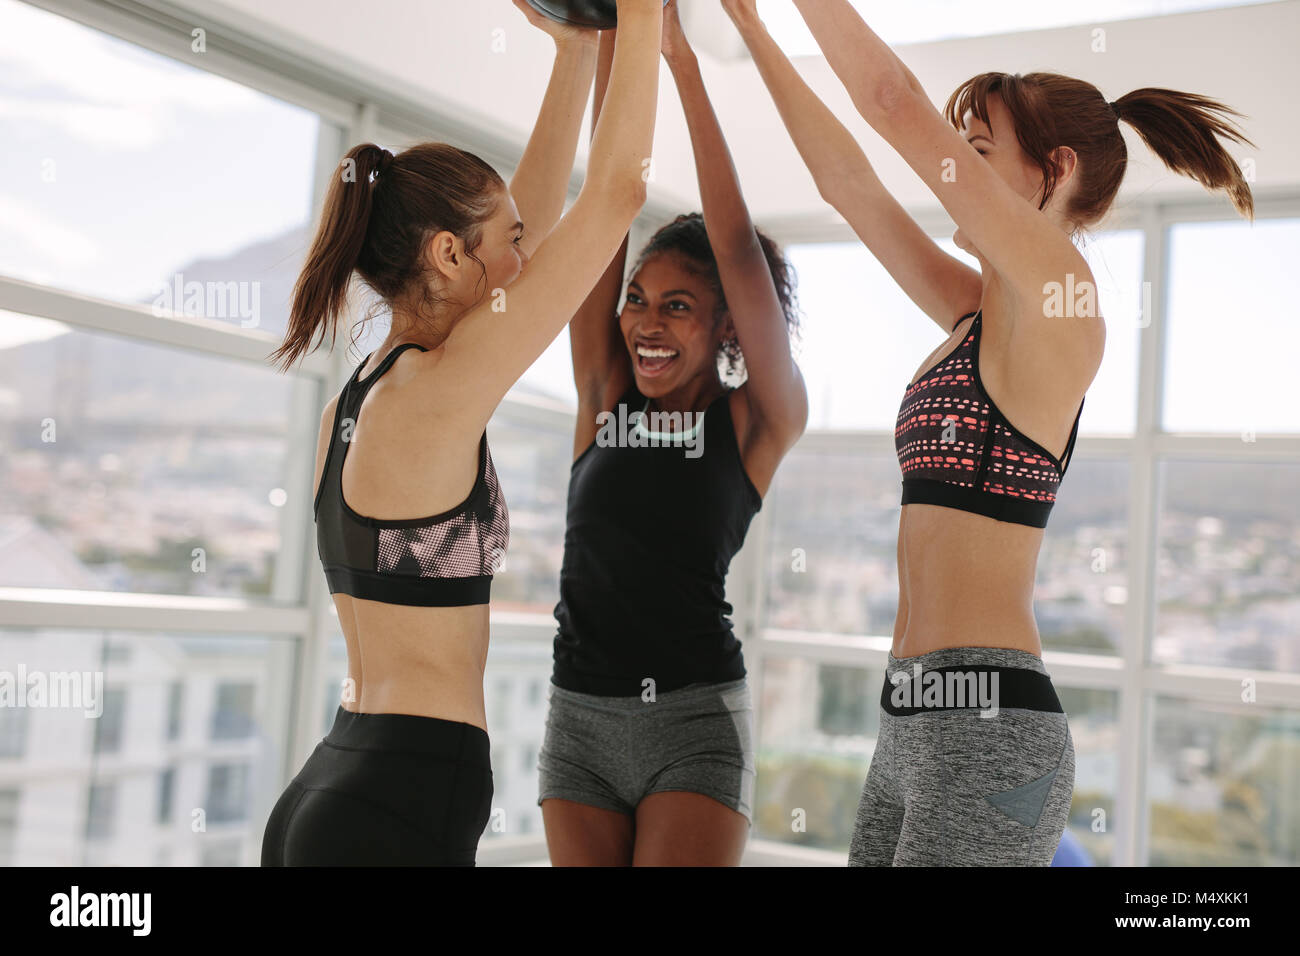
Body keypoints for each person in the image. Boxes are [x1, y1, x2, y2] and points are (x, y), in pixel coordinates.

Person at [725, 0, 1253, 865]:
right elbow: (848, 187)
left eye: (977, 154)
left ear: (1056, 171)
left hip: (990, 731)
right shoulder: (980, 313)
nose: (955, 175)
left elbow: (894, 103)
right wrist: (750, 26)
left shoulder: (1060, 297)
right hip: (911, 718)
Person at [260, 0, 664, 866]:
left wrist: (579, 51)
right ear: (447, 254)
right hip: (397, 797)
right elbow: (620, 189)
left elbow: (546, 221)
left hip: (339, 783)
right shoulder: (438, 393)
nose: (528, 266)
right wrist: (643, 13)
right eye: (506, 245)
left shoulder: (365, 400)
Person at [538, 0, 808, 867]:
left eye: (678, 307)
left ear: (730, 326)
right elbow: (601, 209)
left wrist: (680, 60)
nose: (646, 324)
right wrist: (614, 29)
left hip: (693, 721)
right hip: (576, 718)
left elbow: (733, 245)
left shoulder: (758, 419)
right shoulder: (604, 390)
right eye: (639, 301)